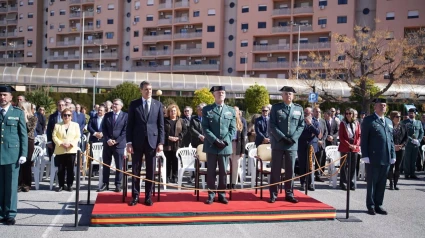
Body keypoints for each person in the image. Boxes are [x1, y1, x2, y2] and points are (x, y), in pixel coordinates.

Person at [127, 81, 164, 207]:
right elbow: (129, 125)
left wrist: (161, 142)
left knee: (150, 171)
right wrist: (129, 142)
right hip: (137, 142)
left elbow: (161, 126)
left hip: (152, 142)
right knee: (136, 170)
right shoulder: (134, 104)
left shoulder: (158, 104)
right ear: (141, 90)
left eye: (150, 89)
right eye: (146, 89)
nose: (149, 91)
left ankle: (148, 196)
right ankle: (136, 196)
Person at [269, 86, 304, 204]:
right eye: (286, 94)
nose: (288, 96)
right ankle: (273, 194)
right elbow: (272, 125)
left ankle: (289, 193)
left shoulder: (299, 109)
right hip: (278, 143)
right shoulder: (276, 108)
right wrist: (282, 137)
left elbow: (301, 125)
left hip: (292, 145)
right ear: (282, 96)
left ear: (293, 96)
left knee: (290, 170)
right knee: (276, 170)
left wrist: (293, 138)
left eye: (290, 94)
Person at [202, 86, 236, 205]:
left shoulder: (231, 110)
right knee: (210, 171)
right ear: (214, 95)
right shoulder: (207, 109)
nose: (221, 94)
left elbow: (233, 129)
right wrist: (214, 140)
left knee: (223, 172)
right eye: (218, 92)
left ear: (225, 95)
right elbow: (205, 127)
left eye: (223, 92)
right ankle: (211, 194)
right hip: (211, 145)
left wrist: (225, 141)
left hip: (225, 146)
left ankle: (222, 194)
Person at [361, 98, 395, 215]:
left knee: (382, 183)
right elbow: (364, 139)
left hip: (386, 157)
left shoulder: (389, 122)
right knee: (372, 183)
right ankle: (370, 206)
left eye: (384, 105)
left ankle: (378, 204)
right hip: (373, 157)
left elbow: (391, 140)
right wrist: (365, 155)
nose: (383, 107)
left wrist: (393, 154)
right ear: (375, 107)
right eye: (380, 105)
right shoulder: (369, 120)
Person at [0, 85, 28, 225]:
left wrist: (23, 153)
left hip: (12, 154)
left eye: (5, 95)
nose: (2, 97)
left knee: (11, 186)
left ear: (11, 97)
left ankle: (10, 213)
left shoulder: (17, 112)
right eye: (1, 95)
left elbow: (23, 135)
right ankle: (0, 212)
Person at [99, 99, 128, 192]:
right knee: (106, 164)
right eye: (113, 104)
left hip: (119, 145)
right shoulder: (107, 115)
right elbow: (104, 128)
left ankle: (118, 184)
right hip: (107, 144)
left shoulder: (125, 116)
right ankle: (105, 183)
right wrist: (107, 139)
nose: (114, 105)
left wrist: (116, 141)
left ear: (121, 106)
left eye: (116, 104)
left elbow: (125, 131)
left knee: (119, 165)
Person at [52, 108, 81, 192]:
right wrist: (61, 143)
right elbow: (54, 136)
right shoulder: (57, 125)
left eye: (69, 115)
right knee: (61, 169)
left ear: (71, 116)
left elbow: (77, 136)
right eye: (65, 115)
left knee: (70, 168)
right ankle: (61, 185)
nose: (67, 117)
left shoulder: (75, 125)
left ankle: (69, 185)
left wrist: (71, 144)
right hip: (60, 149)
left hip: (71, 149)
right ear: (62, 116)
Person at [338, 108, 361, 191]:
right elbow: (341, 137)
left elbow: (359, 135)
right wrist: (349, 145)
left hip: (354, 147)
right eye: (346, 113)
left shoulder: (357, 123)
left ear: (353, 114)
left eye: (349, 113)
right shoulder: (342, 123)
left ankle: (350, 181)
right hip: (345, 146)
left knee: (353, 165)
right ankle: (343, 182)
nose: (348, 115)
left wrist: (356, 145)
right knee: (344, 166)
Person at [164, 104, 187, 183]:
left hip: (178, 144)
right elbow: (162, 131)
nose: (173, 112)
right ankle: (167, 177)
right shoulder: (165, 120)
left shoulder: (181, 120)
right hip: (167, 144)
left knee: (176, 160)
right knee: (167, 161)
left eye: (174, 111)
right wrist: (168, 137)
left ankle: (175, 177)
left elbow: (185, 130)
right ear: (168, 112)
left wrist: (179, 137)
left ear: (177, 112)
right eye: (171, 111)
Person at [298, 107, 320, 191]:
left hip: (311, 146)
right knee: (302, 164)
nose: (306, 114)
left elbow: (317, 133)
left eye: (308, 113)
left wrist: (310, 124)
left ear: (311, 113)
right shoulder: (300, 121)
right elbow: (299, 133)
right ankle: (303, 183)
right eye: (305, 113)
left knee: (310, 165)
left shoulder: (315, 122)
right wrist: (310, 134)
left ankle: (309, 183)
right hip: (302, 145)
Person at [18, 102, 38, 192]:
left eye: (22, 108)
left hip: (29, 140)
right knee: (19, 163)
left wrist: (25, 118)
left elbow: (29, 129)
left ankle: (27, 184)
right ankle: (19, 183)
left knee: (27, 162)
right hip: (19, 140)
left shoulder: (33, 118)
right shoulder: (18, 117)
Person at [388, 111, 407, 190]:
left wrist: (402, 145)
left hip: (400, 149)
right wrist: (393, 146)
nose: (399, 118)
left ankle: (395, 183)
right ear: (392, 117)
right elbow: (387, 138)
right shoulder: (389, 126)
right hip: (391, 149)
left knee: (398, 167)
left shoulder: (403, 126)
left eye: (399, 116)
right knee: (391, 166)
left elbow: (406, 138)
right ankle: (391, 183)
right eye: (397, 116)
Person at [402, 108, 424, 179]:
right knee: (407, 159)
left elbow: (421, 132)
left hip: (416, 144)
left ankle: (412, 173)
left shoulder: (418, 122)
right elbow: (404, 133)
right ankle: (407, 173)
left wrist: (419, 140)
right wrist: (411, 139)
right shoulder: (404, 122)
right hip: (408, 143)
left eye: (412, 113)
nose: (411, 114)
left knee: (414, 159)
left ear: (415, 114)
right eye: (410, 113)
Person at [228, 106, 246, 189]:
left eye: (236, 110)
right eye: (233, 110)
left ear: (239, 112)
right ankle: (227, 182)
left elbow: (243, 137)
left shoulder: (241, 121)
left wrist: (242, 150)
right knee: (227, 164)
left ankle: (233, 183)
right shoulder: (227, 120)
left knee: (236, 164)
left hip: (237, 145)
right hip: (228, 145)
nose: (234, 112)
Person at [313, 107, 327, 182]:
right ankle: (310, 175)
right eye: (316, 112)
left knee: (320, 160)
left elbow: (325, 132)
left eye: (319, 112)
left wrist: (322, 140)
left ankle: (318, 175)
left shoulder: (323, 121)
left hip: (321, 144)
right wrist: (317, 140)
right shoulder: (311, 121)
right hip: (314, 144)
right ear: (313, 112)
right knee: (312, 160)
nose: (318, 113)